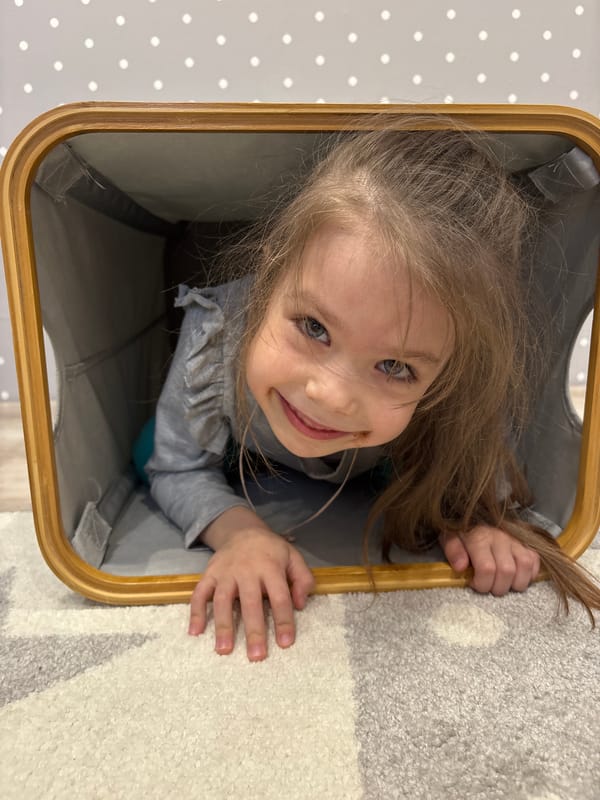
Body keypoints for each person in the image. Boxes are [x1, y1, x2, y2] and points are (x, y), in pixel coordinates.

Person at [146, 118, 600, 662]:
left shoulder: (458, 387)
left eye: (394, 366)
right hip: (242, 447)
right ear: (272, 270)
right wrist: (240, 533)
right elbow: (176, 466)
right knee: (146, 444)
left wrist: (478, 521)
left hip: (372, 465)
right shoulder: (215, 332)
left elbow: (477, 461)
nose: (330, 396)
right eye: (313, 327)